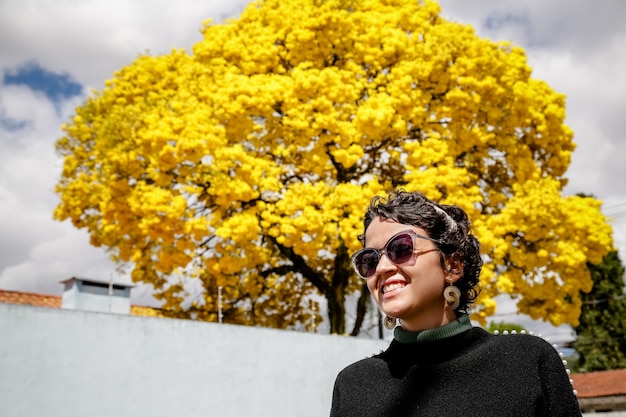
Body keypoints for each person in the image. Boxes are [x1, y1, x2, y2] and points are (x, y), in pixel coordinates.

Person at [330, 190, 581, 417]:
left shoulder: (526, 361)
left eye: (401, 248)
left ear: (452, 265)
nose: (382, 268)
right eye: (369, 260)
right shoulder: (353, 385)